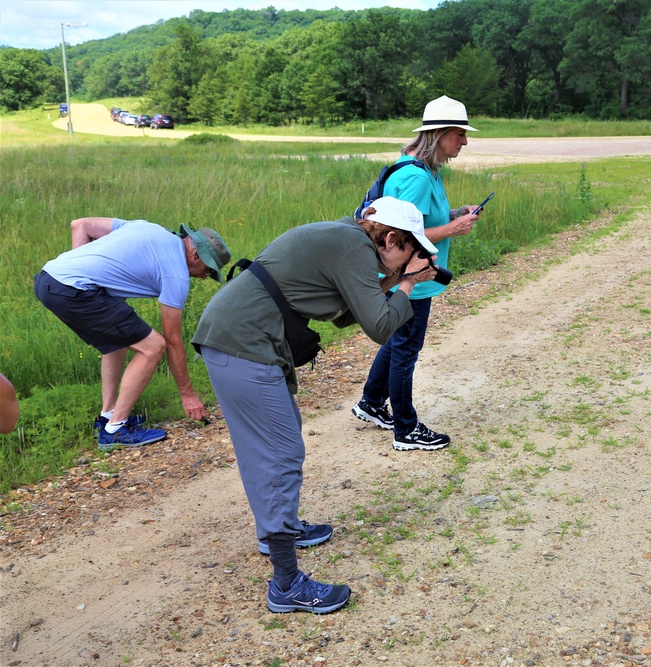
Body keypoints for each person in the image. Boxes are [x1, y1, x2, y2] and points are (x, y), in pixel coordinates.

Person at [191, 197, 439, 614]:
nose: (410, 261)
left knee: (272, 445)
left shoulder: (346, 239)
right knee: (279, 454)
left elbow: (348, 313)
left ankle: (276, 532)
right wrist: (408, 284)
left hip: (237, 340)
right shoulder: (352, 247)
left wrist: (394, 280)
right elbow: (380, 326)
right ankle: (286, 584)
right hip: (244, 344)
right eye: (411, 251)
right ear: (392, 238)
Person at [351, 95, 481, 452]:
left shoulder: (420, 169)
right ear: (439, 134)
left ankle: (371, 403)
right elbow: (404, 235)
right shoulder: (418, 178)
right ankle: (405, 428)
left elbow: (419, 220)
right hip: (411, 277)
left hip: (408, 275)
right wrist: (454, 228)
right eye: (460, 134)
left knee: (397, 342)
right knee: (406, 349)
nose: (465, 142)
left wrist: (455, 213)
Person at [34, 217, 231, 450]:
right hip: (73, 289)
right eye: (208, 270)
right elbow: (172, 340)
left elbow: (80, 225)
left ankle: (108, 416)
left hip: (48, 277)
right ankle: (116, 430)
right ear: (196, 256)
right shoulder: (176, 273)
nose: (203, 277)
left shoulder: (148, 227)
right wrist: (187, 395)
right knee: (153, 346)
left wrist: (79, 266)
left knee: (116, 341)